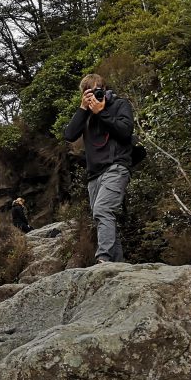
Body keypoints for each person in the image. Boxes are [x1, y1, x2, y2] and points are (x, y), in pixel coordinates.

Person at [63, 72, 134, 264]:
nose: (94, 96)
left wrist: (102, 112)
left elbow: (125, 131)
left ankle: (104, 258)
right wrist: (83, 108)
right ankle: (117, 265)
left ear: (104, 89)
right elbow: (69, 135)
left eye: (97, 91)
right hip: (94, 175)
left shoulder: (120, 105)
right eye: (88, 93)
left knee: (102, 210)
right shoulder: (85, 115)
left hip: (116, 166)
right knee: (102, 217)